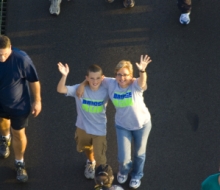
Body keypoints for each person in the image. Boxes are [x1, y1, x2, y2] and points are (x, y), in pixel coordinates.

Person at [77, 55, 152, 189]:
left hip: (142, 125)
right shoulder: (111, 83)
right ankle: (123, 172)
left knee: (139, 154)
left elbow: (142, 81)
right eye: (119, 74)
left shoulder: (135, 84)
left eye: (125, 75)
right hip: (122, 126)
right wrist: (82, 85)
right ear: (115, 75)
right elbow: (95, 78)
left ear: (131, 75)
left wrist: (142, 71)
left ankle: (136, 175)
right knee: (123, 158)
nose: (122, 78)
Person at [0, 35, 42, 182]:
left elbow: (34, 81)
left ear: (10, 48)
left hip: (19, 106)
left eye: (4, 54)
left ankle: (19, 163)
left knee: (18, 134)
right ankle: (5, 139)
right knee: (2, 122)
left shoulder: (22, 59)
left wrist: (37, 101)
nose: (2, 58)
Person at [57, 63, 109, 179]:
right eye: (91, 78)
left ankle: (101, 180)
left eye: (97, 78)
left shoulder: (106, 89)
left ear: (102, 78)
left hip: (99, 130)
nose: (95, 81)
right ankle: (90, 162)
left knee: (101, 158)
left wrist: (84, 83)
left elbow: (119, 84)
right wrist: (64, 75)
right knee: (87, 148)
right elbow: (60, 89)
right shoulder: (78, 89)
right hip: (82, 128)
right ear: (86, 78)